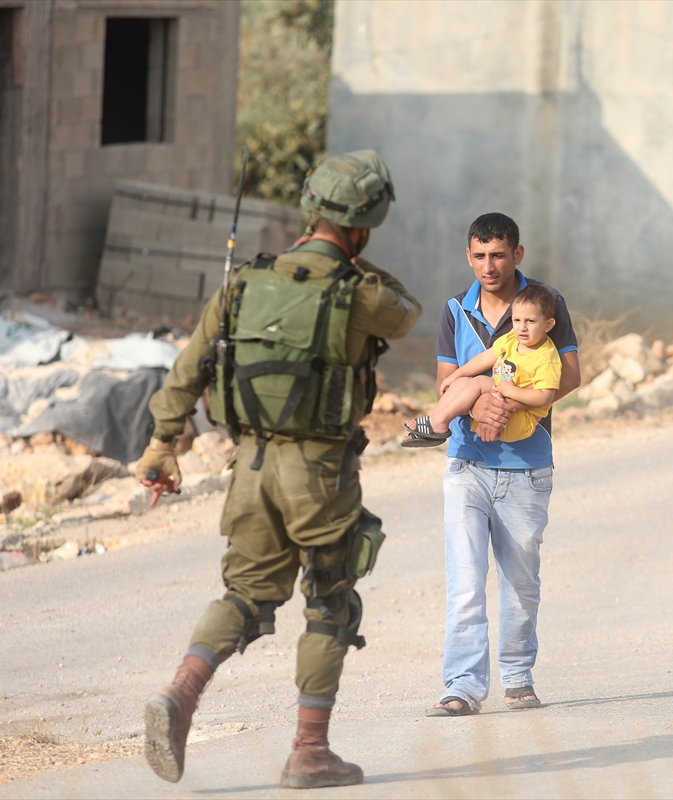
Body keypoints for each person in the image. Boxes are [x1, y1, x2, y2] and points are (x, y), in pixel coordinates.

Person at [135, 150, 421, 789]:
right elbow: (407, 312)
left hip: (251, 470)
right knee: (329, 604)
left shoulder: (242, 282)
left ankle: (181, 694)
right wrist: (348, 262)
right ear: (364, 227)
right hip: (319, 475)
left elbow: (187, 369)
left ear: (308, 209)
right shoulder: (359, 292)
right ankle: (309, 753)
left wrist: (162, 447)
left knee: (244, 595)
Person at [424, 213, 581, 716]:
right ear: (468, 257)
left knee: (520, 582)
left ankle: (517, 678)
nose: (488, 267)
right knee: (466, 581)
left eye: (498, 255)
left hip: (526, 467)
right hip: (466, 462)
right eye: (478, 256)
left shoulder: (543, 305)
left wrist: (507, 398)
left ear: (517, 254)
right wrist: (477, 403)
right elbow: (447, 383)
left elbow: (569, 376)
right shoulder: (455, 310)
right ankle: (462, 687)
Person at [401, 283, 561, 447]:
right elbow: (487, 356)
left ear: (548, 325)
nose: (522, 327)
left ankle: (439, 423)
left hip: (521, 419)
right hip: (500, 396)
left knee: (479, 382)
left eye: (530, 321)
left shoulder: (546, 356)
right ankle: (433, 425)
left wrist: (511, 392)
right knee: (461, 382)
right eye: (517, 320)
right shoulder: (513, 338)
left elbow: (545, 396)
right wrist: (457, 374)